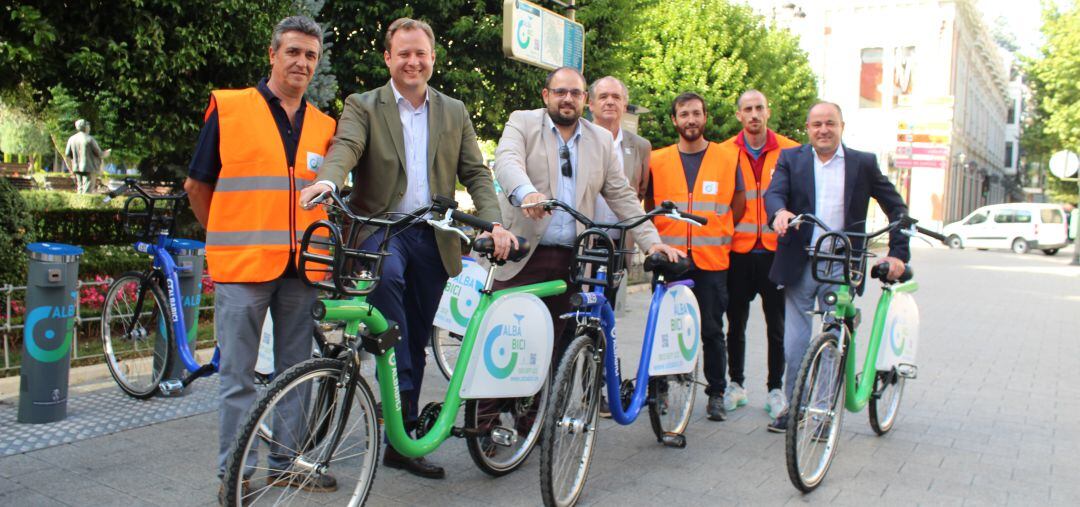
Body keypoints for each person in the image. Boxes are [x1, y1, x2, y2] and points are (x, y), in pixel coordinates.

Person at [301, 17, 516, 480]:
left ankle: (402, 440)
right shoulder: (364, 104)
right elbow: (347, 146)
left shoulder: (454, 111)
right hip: (381, 230)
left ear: (432, 59)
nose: (413, 61)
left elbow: (476, 172)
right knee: (392, 295)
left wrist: (495, 220)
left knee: (416, 339)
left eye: (421, 53)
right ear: (388, 58)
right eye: (404, 53)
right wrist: (328, 179)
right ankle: (384, 379)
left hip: (433, 235)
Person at [183, 15, 338, 501]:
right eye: (293, 52)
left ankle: (287, 465)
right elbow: (197, 184)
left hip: (302, 270)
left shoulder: (324, 126)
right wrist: (224, 232)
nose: (301, 62)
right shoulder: (230, 109)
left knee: (297, 375)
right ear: (272, 54)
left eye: (310, 55)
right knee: (238, 377)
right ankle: (235, 475)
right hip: (244, 267)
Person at [493, 67, 680, 355]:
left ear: (583, 100)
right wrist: (526, 192)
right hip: (522, 253)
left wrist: (651, 241)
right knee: (504, 345)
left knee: (551, 350)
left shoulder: (601, 140)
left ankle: (543, 401)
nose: (567, 98)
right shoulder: (523, 122)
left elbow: (622, 196)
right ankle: (492, 402)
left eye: (575, 93)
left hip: (571, 260)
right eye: (560, 92)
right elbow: (507, 161)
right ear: (546, 96)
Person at [763, 101, 910, 433]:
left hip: (841, 264)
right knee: (796, 344)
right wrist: (779, 214)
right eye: (816, 124)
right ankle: (795, 407)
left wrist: (897, 252)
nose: (823, 130)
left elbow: (897, 208)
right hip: (800, 261)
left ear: (842, 125)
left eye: (830, 123)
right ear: (808, 128)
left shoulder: (863, 163)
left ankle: (823, 412)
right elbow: (774, 194)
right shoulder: (791, 158)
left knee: (833, 340)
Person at [646, 92, 746, 422]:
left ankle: (716, 393)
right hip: (670, 259)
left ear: (705, 118)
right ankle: (659, 389)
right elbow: (647, 205)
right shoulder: (657, 160)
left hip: (712, 259)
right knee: (663, 327)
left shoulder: (728, 157)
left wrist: (719, 229)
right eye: (684, 114)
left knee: (713, 330)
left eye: (696, 114)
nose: (691, 120)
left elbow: (739, 203)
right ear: (674, 120)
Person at [720, 90, 800, 419]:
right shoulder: (724, 153)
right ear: (739, 115)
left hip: (774, 252)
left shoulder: (792, 151)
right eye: (747, 109)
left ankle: (775, 389)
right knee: (735, 323)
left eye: (759, 108)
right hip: (737, 252)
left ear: (769, 111)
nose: (754, 114)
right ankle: (735, 384)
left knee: (777, 326)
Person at [64, 119, 109, 193]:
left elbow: (67, 154)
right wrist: (107, 153)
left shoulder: (71, 139)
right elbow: (99, 154)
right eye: (88, 126)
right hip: (89, 167)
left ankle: (78, 202)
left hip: (76, 167)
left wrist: (71, 165)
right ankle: (85, 204)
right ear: (85, 127)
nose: (89, 128)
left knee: (80, 188)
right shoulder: (89, 139)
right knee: (88, 188)